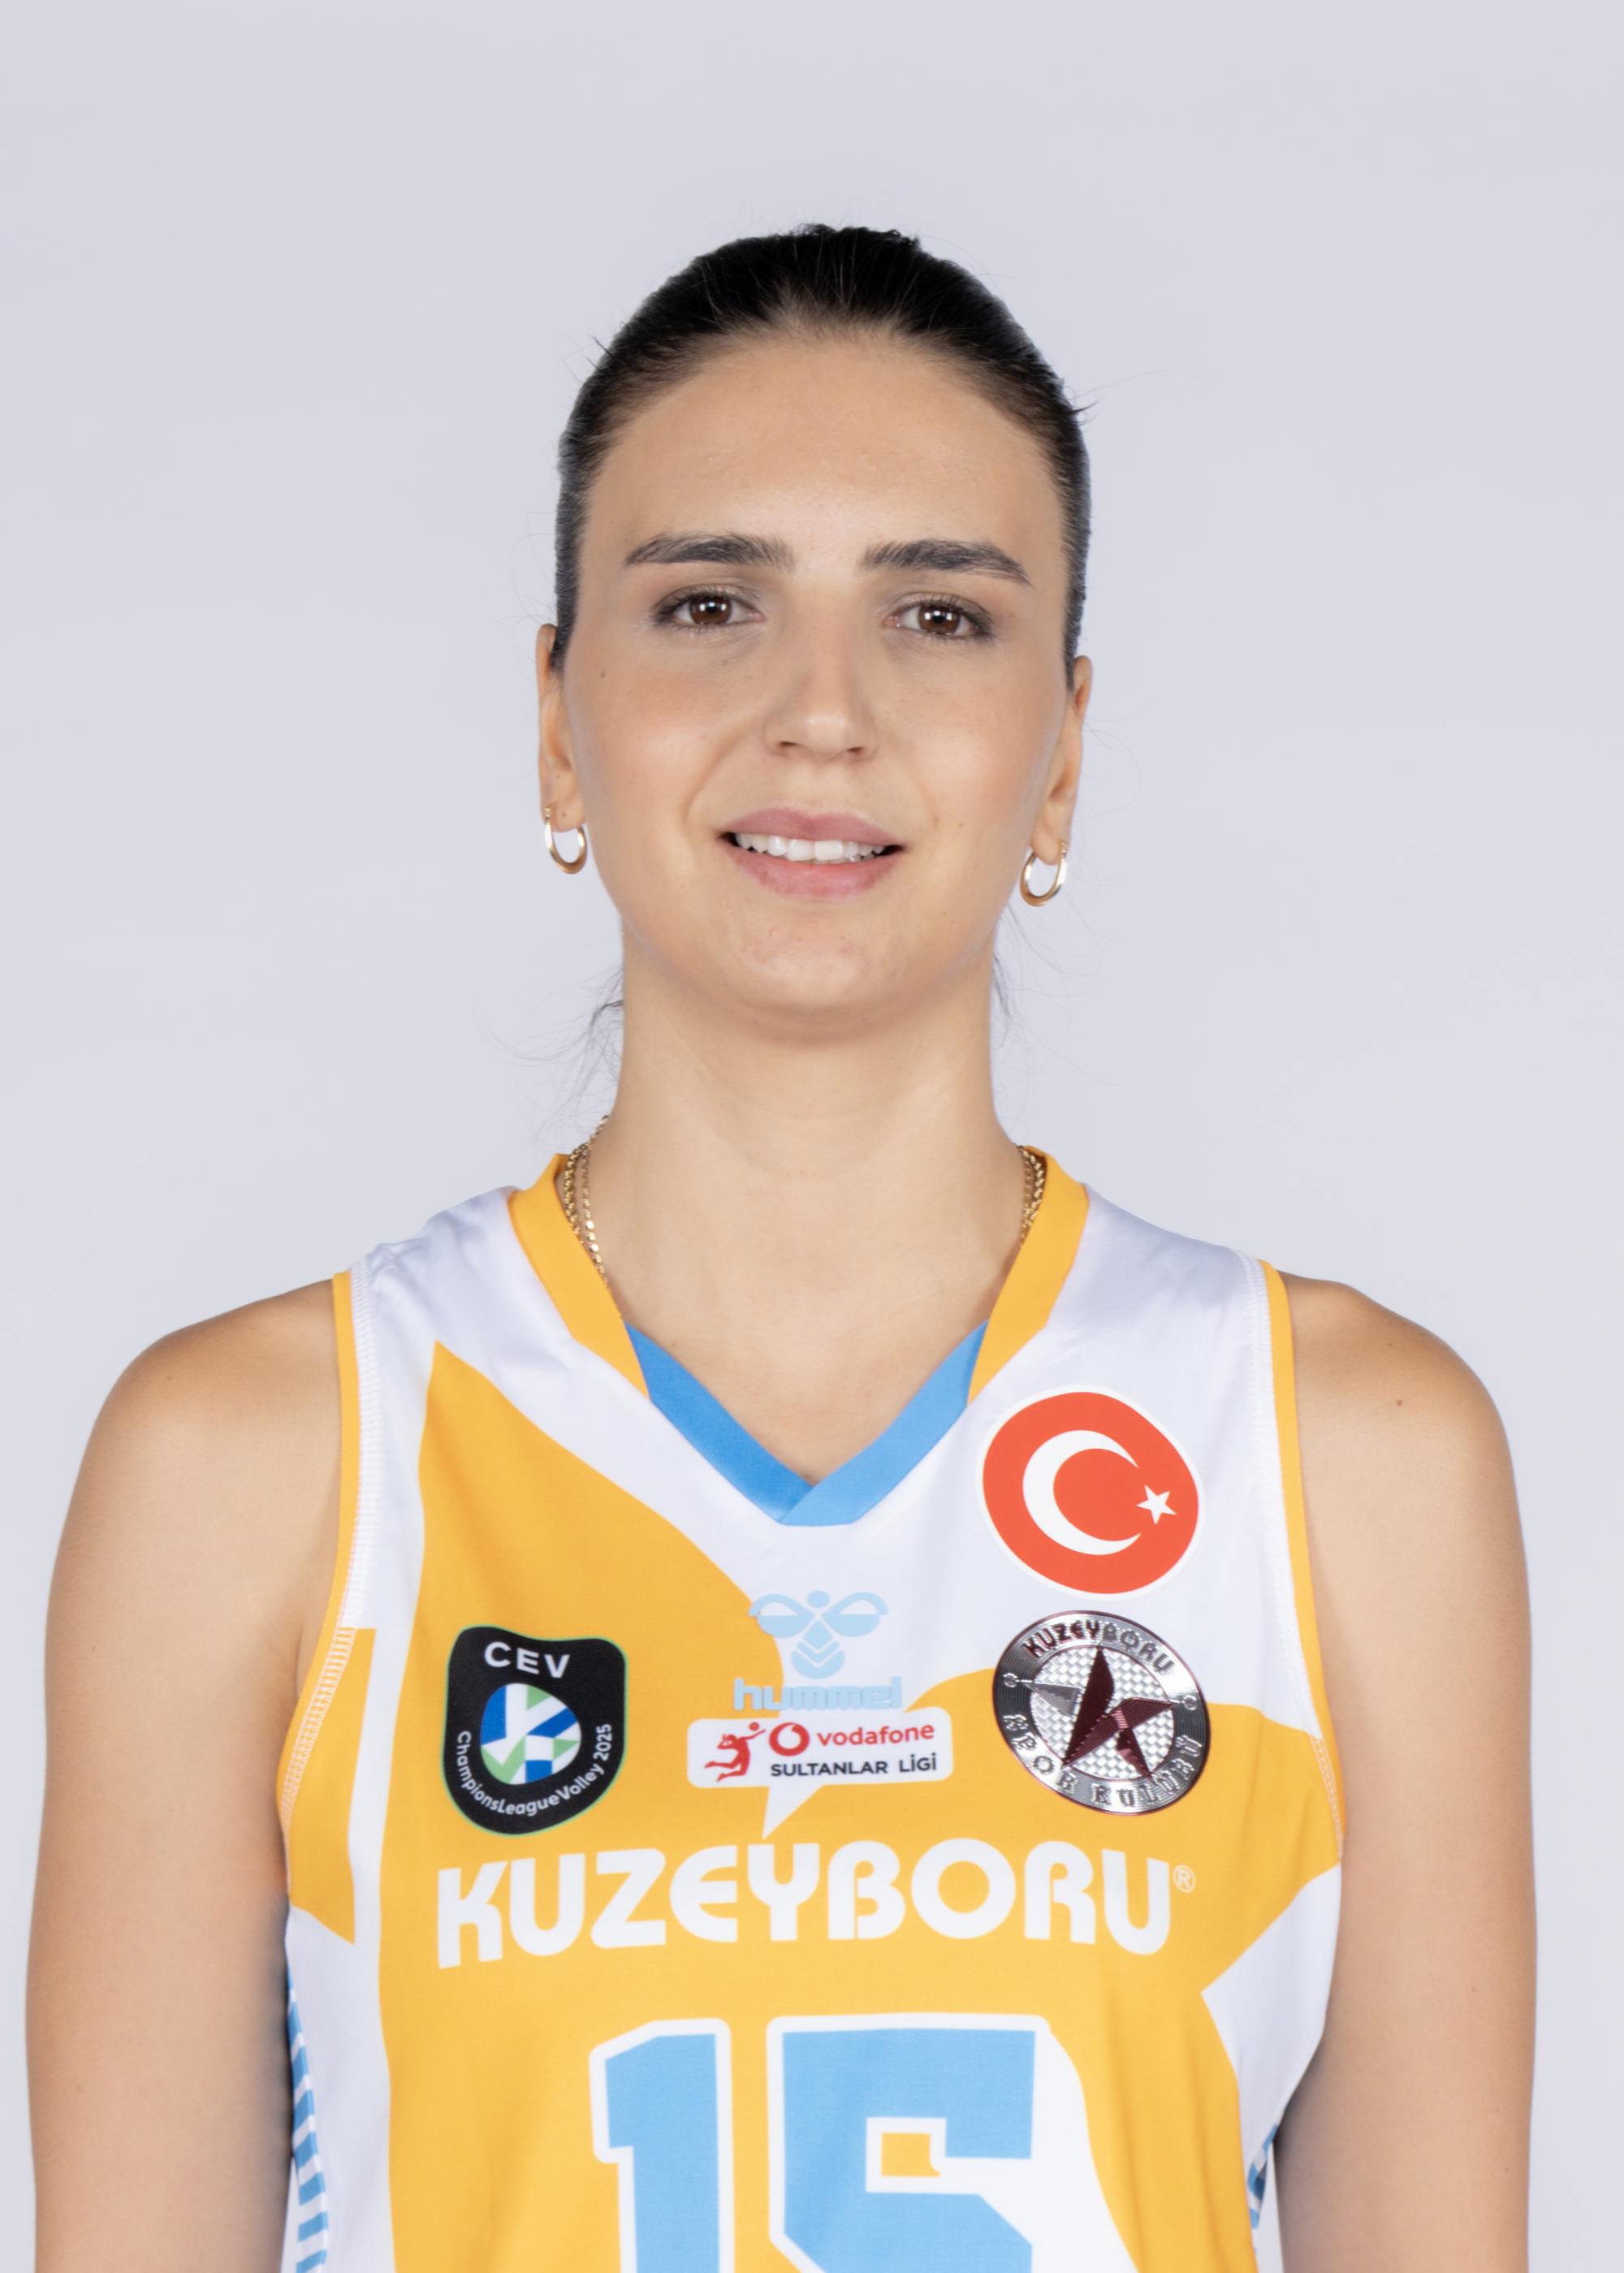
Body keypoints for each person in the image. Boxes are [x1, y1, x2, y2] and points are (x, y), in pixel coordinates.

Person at [29, 225, 1532, 2273]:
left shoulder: (1337, 1450)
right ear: (558, 718)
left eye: (938, 613)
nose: (821, 710)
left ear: (1061, 746)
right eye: (709, 604)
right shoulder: (260, 1460)